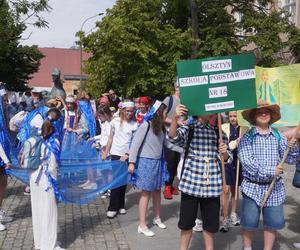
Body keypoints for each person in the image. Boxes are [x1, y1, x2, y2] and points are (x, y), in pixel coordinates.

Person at [168, 104, 232, 250]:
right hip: (191, 184)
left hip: (213, 185)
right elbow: (172, 138)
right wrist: (175, 118)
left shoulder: (219, 133)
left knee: (210, 226)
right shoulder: (189, 129)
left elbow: (228, 159)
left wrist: (225, 152)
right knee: (186, 223)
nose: (210, 112)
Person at [238, 102, 299, 250]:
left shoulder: (278, 136)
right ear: (254, 116)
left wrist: (294, 146)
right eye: (260, 112)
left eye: (267, 112)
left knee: (272, 223)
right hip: (252, 187)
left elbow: (290, 159)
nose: (264, 114)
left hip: (274, 188)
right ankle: (247, 248)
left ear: (271, 116)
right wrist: (272, 171)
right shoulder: (247, 138)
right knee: (249, 222)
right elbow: (248, 163)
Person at [128, 101, 170, 237]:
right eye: (165, 112)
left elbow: (168, 144)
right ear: (159, 112)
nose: (166, 115)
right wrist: (132, 162)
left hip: (158, 162)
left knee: (157, 190)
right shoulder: (146, 125)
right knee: (145, 193)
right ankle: (142, 224)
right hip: (146, 162)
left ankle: (157, 217)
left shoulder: (162, 128)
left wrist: (184, 149)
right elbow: (135, 144)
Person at [29, 108, 65, 250]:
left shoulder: (36, 132)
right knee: (49, 210)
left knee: (37, 209)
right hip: (46, 178)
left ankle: (40, 243)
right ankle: (50, 245)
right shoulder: (54, 139)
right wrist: (55, 181)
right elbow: (52, 165)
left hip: (33, 176)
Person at [102, 100, 137, 218]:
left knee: (123, 181)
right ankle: (112, 207)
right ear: (123, 110)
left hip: (127, 155)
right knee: (116, 181)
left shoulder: (134, 124)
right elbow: (110, 138)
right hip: (116, 154)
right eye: (127, 111)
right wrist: (106, 152)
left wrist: (127, 155)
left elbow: (134, 142)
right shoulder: (115, 122)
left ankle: (121, 205)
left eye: (132, 111)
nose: (130, 113)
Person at [220, 111, 248, 232]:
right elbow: (224, 145)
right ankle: (224, 217)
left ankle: (233, 213)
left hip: (239, 161)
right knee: (225, 190)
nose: (232, 118)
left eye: (235, 116)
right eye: (231, 116)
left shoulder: (245, 128)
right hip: (226, 161)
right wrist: (235, 143)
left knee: (234, 188)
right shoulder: (223, 127)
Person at [162, 81, 182, 200]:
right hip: (169, 135)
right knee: (170, 160)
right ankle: (167, 186)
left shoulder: (186, 100)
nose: (181, 89)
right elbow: (162, 116)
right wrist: (176, 122)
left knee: (177, 160)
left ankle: (171, 184)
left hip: (181, 135)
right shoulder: (169, 99)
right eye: (179, 87)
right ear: (175, 87)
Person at [0, 90, 13, 231]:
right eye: (3, 100)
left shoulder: (3, 116)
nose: (6, 103)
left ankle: (0, 211)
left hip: (3, 154)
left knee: (3, 183)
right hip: (0, 154)